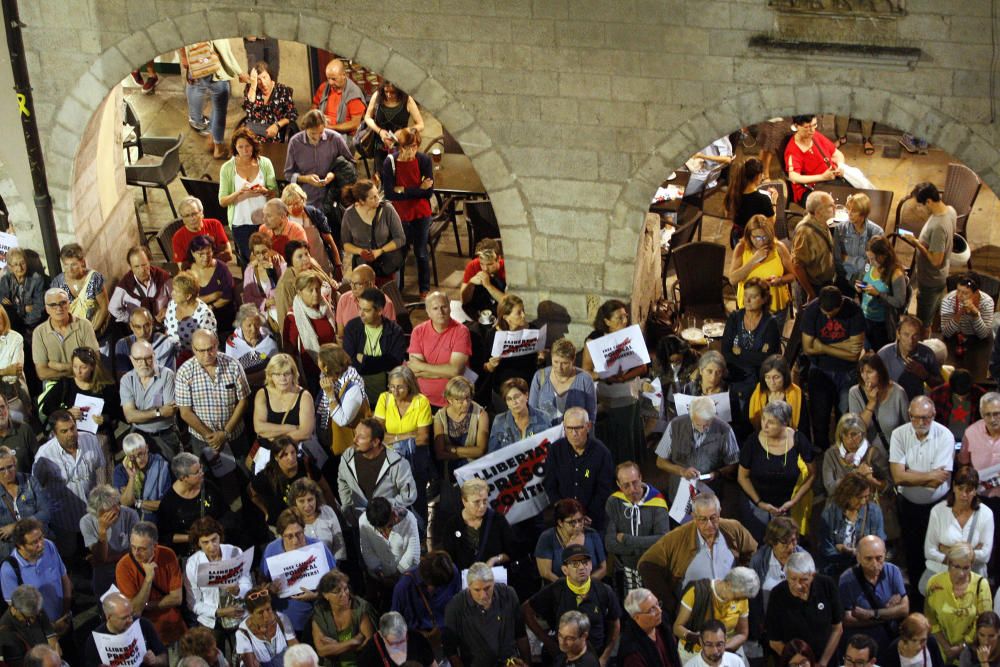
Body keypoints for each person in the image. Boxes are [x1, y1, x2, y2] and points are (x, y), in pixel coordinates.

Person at [637, 492, 757, 611]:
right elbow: (646, 564)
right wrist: (671, 605)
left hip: (730, 609)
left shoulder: (733, 529)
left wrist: (741, 587)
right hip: (694, 614)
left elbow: (753, 554)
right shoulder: (678, 538)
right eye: (703, 519)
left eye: (713, 517)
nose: (709, 524)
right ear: (694, 517)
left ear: (719, 512)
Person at [889, 395, 954, 601]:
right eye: (916, 418)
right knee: (912, 552)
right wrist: (929, 475)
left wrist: (911, 475)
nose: (920, 423)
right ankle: (917, 600)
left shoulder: (945, 435)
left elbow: (938, 482)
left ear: (934, 415)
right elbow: (898, 477)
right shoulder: (899, 434)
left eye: (925, 418)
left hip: (938, 506)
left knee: (937, 552)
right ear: (909, 416)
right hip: (908, 505)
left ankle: (938, 598)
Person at [176, 329, 252, 492]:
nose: (207, 354)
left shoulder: (233, 365)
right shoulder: (184, 372)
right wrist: (210, 436)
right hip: (202, 440)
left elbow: (243, 401)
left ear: (217, 345)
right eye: (201, 350)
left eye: (211, 348)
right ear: (193, 349)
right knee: (208, 484)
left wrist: (225, 433)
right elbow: (185, 412)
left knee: (246, 479)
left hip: (235, 436)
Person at [524, 543, 621, 665]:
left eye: (585, 562)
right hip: (562, 658)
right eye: (575, 564)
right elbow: (527, 609)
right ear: (565, 569)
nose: (581, 567)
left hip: (595, 658)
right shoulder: (556, 589)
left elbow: (615, 624)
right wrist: (548, 642)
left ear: (591, 566)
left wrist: (605, 657)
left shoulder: (604, 590)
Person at [31, 410, 107, 558]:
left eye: (73, 428)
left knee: (96, 555)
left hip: (91, 514)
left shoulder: (90, 440)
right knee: (69, 557)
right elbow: (36, 486)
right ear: (54, 433)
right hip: (64, 521)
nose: (70, 433)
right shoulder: (44, 455)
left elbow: (101, 469)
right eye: (64, 431)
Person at [737, 400, 816, 540]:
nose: (764, 425)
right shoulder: (752, 442)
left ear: (785, 423)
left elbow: (812, 474)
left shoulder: (799, 441)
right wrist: (760, 503)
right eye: (763, 419)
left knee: (785, 542)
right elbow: (742, 477)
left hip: (790, 505)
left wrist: (794, 502)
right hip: (757, 503)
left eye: (771, 422)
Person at [583, 299, 648, 463]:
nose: (625, 321)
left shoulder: (631, 335)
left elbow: (643, 367)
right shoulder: (593, 341)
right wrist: (604, 375)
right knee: (614, 436)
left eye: (625, 317)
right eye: (619, 318)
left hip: (629, 391)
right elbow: (586, 371)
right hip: (607, 394)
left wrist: (624, 377)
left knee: (629, 431)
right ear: (606, 321)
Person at [802, 285, 865, 450]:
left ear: (841, 304)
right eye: (825, 313)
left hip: (846, 372)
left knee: (844, 414)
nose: (828, 317)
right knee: (819, 415)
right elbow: (808, 347)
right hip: (820, 370)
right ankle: (821, 451)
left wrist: (822, 347)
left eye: (832, 313)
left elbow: (854, 355)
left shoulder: (854, 311)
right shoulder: (812, 310)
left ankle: (842, 450)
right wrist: (844, 345)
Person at [261, 508, 337, 633]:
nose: (295, 541)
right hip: (287, 622)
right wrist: (270, 589)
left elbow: (336, 582)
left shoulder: (318, 547)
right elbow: (262, 583)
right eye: (289, 536)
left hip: (321, 619)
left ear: (304, 529)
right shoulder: (271, 550)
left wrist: (316, 596)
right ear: (280, 534)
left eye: (299, 534)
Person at [655, 396, 739, 504]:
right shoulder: (675, 425)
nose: (704, 429)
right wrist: (682, 471)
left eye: (707, 425)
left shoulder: (725, 430)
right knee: (681, 520)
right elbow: (660, 462)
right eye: (699, 424)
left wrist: (717, 474)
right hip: (679, 491)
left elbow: (733, 464)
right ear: (691, 416)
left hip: (709, 493)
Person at [543, 406, 615, 532]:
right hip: (563, 520)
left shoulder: (601, 453)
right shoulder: (555, 450)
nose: (574, 433)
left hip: (593, 520)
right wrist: (566, 514)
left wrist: (582, 517)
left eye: (578, 428)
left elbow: (604, 490)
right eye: (569, 428)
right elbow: (550, 485)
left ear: (588, 426)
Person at [766, 551, 844, 667]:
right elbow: (774, 641)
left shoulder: (827, 585)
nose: (798, 585)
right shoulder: (777, 594)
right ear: (786, 575)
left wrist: (822, 663)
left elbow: (837, 628)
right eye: (793, 579)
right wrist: (800, 663)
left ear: (812, 575)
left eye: (804, 580)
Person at [895, 182, 956, 328]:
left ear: (928, 201)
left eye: (920, 205)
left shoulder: (938, 227)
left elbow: (936, 261)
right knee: (934, 311)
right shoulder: (950, 210)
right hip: (940, 275)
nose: (920, 208)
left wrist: (917, 244)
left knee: (923, 321)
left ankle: (922, 344)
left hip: (931, 279)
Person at [923, 466, 994, 591]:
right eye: (960, 489)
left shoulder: (986, 514)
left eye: (969, 490)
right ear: (954, 486)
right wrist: (970, 552)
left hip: (973, 581)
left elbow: (985, 555)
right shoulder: (938, 511)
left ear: (976, 490)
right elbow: (929, 551)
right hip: (941, 580)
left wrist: (946, 550)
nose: (964, 495)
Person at [115, 520, 186, 644]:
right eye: (133, 547)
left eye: (141, 549)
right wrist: (148, 579)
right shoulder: (123, 566)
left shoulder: (168, 555)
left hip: (174, 629)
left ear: (155, 546)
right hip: (143, 634)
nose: (136, 553)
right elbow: (136, 610)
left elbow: (176, 598)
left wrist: (146, 605)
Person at [382, 127, 433, 297]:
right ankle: (399, 288)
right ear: (399, 147)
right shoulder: (390, 162)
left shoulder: (424, 160)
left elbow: (428, 192)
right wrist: (417, 188)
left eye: (414, 147)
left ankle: (424, 288)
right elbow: (389, 194)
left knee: (421, 252)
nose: (410, 151)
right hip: (400, 215)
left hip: (421, 213)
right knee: (400, 253)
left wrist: (403, 190)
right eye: (406, 147)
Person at [722, 276, 782, 419]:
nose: (747, 300)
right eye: (745, 295)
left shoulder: (770, 323)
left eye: (753, 297)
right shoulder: (735, 318)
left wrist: (740, 352)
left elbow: (767, 360)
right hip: (734, 373)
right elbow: (726, 351)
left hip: (758, 377)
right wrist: (753, 356)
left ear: (764, 299)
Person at [605, 461, 669, 594]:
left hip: (652, 566)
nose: (632, 489)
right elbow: (609, 543)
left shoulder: (657, 501)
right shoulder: (614, 502)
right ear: (618, 484)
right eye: (626, 485)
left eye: (635, 482)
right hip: (625, 569)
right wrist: (639, 549)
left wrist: (626, 539)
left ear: (641, 477)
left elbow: (663, 540)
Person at [183, 516, 252, 639]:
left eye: (214, 539)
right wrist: (221, 612)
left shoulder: (234, 552)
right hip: (210, 621)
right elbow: (193, 603)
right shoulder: (193, 564)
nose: (212, 546)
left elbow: (247, 583)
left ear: (220, 536)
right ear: (198, 543)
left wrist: (237, 590)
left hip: (239, 615)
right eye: (205, 542)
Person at [672, 568, 759, 664]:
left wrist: (721, 649)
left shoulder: (742, 599)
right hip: (694, 653)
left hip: (728, 653)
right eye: (736, 597)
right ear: (729, 584)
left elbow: (742, 634)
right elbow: (677, 628)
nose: (738, 601)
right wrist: (697, 638)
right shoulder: (697, 593)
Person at [0, 519, 71, 636]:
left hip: (64, 620)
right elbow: (17, 612)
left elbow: (64, 579)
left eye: (41, 538)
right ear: (20, 545)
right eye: (34, 542)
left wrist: (66, 613)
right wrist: (50, 629)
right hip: (41, 633)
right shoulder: (9, 570)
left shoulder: (49, 546)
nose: (40, 544)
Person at [839, 535, 909, 653]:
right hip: (863, 646)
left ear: (885, 554)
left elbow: (904, 609)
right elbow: (847, 619)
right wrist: (888, 614)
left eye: (879, 558)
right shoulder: (846, 580)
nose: (875, 564)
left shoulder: (893, 571)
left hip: (891, 640)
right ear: (858, 558)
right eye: (868, 559)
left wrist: (870, 614)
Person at [337, 418, 416, 523]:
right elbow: (342, 480)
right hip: (360, 523)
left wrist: (382, 508)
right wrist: (347, 506)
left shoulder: (397, 463)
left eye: (361, 437)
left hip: (387, 524)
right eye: (355, 434)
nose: (354, 440)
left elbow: (409, 495)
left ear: (375, 442)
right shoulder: (347, 457)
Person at [925, 543, 993, 664]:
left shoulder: (981, 585)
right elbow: (930, 619)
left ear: (972, 565)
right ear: (949, 563)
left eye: (966, 568)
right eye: (956, 566)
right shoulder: (934, 583)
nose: (961, 573)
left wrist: (962, 646)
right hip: (940, 650)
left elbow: (984, 623)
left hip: (971, 653)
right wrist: (947, 648)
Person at [218, 127, 278, 262]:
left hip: (265, 221)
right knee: (251, 261)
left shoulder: (265, 163)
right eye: (241, 147)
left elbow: (275, 193)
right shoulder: (227, 168)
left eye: (248, 146)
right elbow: (222, 201)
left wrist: (265, 191)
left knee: (269, 259)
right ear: (235, 148)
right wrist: (238, 193)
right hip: (241, 223)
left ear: (253, 145)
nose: (245, 150)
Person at [180, 40, 247, 159]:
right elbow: (224, 52)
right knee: (219, 109)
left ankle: (208, 131)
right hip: (215, 73)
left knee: (198, 90)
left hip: (197, 67)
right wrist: (240, 73)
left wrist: (186, 60)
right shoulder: (215, 25)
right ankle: (218, 148)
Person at [959, 393, 1000, 583]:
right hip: (982, 499)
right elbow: (964, 465)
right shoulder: (971, 432)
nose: (993, 419)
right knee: (982, 542)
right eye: (988, 414)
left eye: (997, 414)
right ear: (981, 414)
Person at [251, 353, 317, 469]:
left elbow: (305, 432)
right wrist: (289, 427)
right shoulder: (262, 394)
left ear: (293, 374)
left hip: (295, 455)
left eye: (287, 374)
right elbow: (259, 427)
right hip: (267, 456)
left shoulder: (304, 396)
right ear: (270, 376)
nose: (283, 379)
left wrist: (272, 437)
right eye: (277, 374)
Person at [157, 452, 228, 558]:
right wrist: (194, 538)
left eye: (201, 468)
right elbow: (165, 536)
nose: (202, 473)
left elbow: (225, 512)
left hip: (217, 543)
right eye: (196, 472)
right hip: (192, 552)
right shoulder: (169, 503)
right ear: (183, 477)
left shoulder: (208, 486)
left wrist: (215, 534)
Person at [407, 291, 472, 408]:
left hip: (455, 401)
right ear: (428, 312)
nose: (440, 312)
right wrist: (446, 372)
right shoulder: (418, 331)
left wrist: (422, 367)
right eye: (435, 308)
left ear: (450, 308)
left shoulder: (461, 331)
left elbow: (455, 371)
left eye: (444, 307)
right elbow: (414, 371)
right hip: (423, 400)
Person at [38, 346, 119, 438]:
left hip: (99, 434)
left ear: (92, 367)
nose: (78, 371)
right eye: (75, 367)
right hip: (73, 434)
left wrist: (104, 418)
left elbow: (116, 411)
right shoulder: (66, 384)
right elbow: (47, 407)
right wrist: (66, 413)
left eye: (83, 367)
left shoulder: (105, 386)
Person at [250, 436, 329, 529]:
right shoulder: (266, 477)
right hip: (283, 526)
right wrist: (266, 512)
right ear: (276, 457)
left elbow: (325, 489)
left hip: (309, 521)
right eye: (284, 455)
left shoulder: (306, 466)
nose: (291, 457)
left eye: (293, 452)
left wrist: (333, 515)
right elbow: (252, 493)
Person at [435, 477, 514, 570]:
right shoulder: (452, 525)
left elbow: (512, 552)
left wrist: (496, 559)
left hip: (494, 579)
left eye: (485, 501)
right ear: (464, 501)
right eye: (476, 502)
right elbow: (447, 559)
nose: (482, 506)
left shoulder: (497, 520)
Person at [120, 342, 181, 464]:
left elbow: (170, 412)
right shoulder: (127, 379)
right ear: (131, 359)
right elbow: (130, 416)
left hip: (165, 436)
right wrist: (159, 412)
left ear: (154, 356)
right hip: (138, 436)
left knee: (172, 473)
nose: (144, 363)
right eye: (138, 359)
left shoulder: (167, 375)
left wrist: (140, 414)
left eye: (148, 358)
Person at [283, 109, 355, 210]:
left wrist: (333, 174)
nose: (317, 137)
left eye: (320, 133)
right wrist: (305, 179)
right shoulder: (295, 142)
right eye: (313, 133)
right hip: (306, 200)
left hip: (331, 199)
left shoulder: (335, 139)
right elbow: (288, 174)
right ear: (305, 128)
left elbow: (350, 164)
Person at [728, 217, 794, 327]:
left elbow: (792, 275)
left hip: (775, 308)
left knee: (773, 341)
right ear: (749, 235)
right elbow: (733, 279)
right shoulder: (742, 248)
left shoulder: (779, 248)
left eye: (765, 236)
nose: (762, 241)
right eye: (757, 237)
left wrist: (780, 280)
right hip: (750, 309)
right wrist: (754, 260)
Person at [818, 473, 886, 576]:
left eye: (866, 496)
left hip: (866, 568)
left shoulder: (873, 512)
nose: (863, 501)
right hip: (837, 568)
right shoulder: (830, 513)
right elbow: (826, 548)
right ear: (847, 495)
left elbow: (880, 543)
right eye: (859, 497)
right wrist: (845, 556)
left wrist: (854, 553)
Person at [390, 550, 461, 649]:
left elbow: (457, 602)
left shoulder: (451, 572)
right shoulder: (404, 587)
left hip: (448, 634)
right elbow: (394, 625)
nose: (435, 591)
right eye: (433, 586)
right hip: (417, 641)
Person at [341, 180, 406, 286]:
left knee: (389, 298)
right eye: (372, 198)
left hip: (387, 265)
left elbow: (400, 238)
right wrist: (360, 251)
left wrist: (379, 251)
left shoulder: (387, 210)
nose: (378, 199)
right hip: (363, 269)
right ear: (361, 201)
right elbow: (346, 244)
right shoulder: (349, 214)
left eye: (377, 194)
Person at [359, 497, 420, 604]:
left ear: (392, 513)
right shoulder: (363, 522)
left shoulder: (408, 519)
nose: (386, 532)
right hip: (380, 580)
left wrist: (397, 575)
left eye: (389, 526)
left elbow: (413, 552)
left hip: (407, 577)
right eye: (381, 530)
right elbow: (367, 550)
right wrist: (381, 575)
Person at [31, 287, 99, 384]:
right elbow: (42, 373)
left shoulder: (84, 325)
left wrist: (58, 366)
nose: (59, 308)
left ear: (69, 304)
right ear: (46, 309)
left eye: (63, 303)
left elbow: (95, 361)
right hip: (55, 384)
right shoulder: (39, 333)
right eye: (53, 305)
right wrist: (73, 369)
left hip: (84, 381)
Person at [80, 484, 139, 595]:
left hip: (128, 569)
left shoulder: (130, 515)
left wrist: (106, 559)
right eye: (111, 508)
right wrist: (102, 531)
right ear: (97, 512)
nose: (117, 509)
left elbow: (136, 552)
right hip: (104, 576)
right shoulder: (86, 522)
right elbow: (101, 557)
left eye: (117, 504)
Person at [84, 592, 167, 667]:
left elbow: (164, 659)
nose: (130, 620)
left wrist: (155, 660)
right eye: (124, 618)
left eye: (131, 614)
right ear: (109, 617)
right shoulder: (95, 640)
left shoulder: (143, 624)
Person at [283, 271, 337, 387]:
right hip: (310, 376)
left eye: (317, 289)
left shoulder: (325, 308)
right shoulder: (293, 317)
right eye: (310, 290)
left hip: (334, 367)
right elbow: (289, 352)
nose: (316, 293)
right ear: (299, 292)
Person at [310, 569, 374, 667]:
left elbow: (368, 642)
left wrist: (335, 647)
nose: (344, 594)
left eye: (345, 589)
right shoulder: (319, 615)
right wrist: (354, 641)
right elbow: (322, 650)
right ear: (325, 595)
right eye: (337, 592)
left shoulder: (360, 608)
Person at [847, 352, 909, 451]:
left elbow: (908, 429)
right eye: (862, 372)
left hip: (893, 455)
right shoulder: (855, 393)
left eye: (869, 372)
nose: (865, 376)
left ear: (880, 372)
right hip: (866, 457)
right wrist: (871, 403)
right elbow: (857, 430)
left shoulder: (898, 393)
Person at [536, 498, 608, 582]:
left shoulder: (592, 534)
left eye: (580, 520)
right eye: (572, 522)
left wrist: (585, 586)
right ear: (560, 522)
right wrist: (570, 588)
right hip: (560, 589)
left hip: (590, 587)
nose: (577, 525)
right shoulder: (547, 538)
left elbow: (603, 568)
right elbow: (545, 573)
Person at [748, 516, 805, 620]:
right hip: (769, 622)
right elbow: (753, 599)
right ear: (773, 542)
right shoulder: (758, 562)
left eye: (793, 540)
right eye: (785, 543)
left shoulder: (804, 558)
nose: (791, 547)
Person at [530, 337, 597, 425]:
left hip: (575, 434)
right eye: (556, 362)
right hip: (546, 434)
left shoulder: (585, 379)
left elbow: (591, 416)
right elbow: (532, 412)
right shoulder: (540, 377)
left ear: (573, 360)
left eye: (565, 363)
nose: (559, 367)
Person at [785, 114, 848, 206]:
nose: (812, 130)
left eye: (814, 125)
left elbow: (837, 154)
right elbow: (794, 178)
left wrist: (840, 167)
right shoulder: (793, 150)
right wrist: (822, 177)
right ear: (796, 126)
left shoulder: (815, 135)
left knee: (855, 194)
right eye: (807, 127)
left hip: (830, 179)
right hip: (810, 189)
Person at [858, 235, 908, 351]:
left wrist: (878, 294)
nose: (870, 262)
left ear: (884, 256)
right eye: (869, 258)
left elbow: (900, 302)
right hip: (865, 318)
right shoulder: (869, 264)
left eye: (873, 259)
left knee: (881, 355)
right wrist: (859, 287)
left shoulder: (896, 274)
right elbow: (864, 277)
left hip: (882, 324)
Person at [283, 182, 342, 279]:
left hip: (323, 267)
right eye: (289, 204)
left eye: (297, 203)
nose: (293, 207)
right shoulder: (284, 221)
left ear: (303, 199)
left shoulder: (313, 213)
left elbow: (330, 241)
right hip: (302, 273)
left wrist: (338, 264)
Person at [363, 80, 426, 169]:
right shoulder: (377, 96)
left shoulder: (407, 100)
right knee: (382, 175)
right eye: (386, 91)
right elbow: (367, 117)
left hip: (401, 148)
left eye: (392, 92)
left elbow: (420, 124)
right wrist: (380, 131)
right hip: (381, 146)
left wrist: (403, 132)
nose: (388, 95)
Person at [879, 315, 943, 401]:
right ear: (898, 334)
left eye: (915, 335)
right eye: (906, 334)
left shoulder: (927, 354)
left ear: (920, 336)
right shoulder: (884, 354)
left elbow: (941, 386)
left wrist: (924, 375)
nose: (910, 340)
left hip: (915, 405)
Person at [433, 375, 488, 475]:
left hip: (474, 469)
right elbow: (440, 453)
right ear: (450, 400)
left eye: (468, 397)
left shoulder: (480, 413)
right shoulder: (440, 417)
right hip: (448, 470)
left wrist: (452, 449)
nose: (466, 403)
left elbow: (480, 450)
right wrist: (468, 452)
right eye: (460, 400)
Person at [50, 242, 109, 335]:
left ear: (82, 262)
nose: (70, 269)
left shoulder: (94, 278)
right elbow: (55, 312)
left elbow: (104, 307)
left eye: (73, 264)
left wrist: (92, 331)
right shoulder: (57, 283)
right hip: (72, 334)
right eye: (66, 265)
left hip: (98, 333)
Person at [0, 446, 47, 561]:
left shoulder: (30, 481)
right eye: (1, 469)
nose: (7, 472)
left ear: (15, 464)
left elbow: (45, 513)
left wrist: (16, 526)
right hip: (10, 551)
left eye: (10, 467)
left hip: (38, 543)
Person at [235, 585, 299, 667]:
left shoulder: (282, 619)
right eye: (260, 612)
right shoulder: (242, 634)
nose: (266, 616)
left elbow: (296, 648)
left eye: (268, 609)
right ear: (251, 613)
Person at [109, 245, 173, 327]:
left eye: (144, 265)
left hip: (165, 324)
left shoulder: (163, 277)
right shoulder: (125, 285)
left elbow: (176, 298)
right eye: (136, 266)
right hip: (140, 331)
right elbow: (113, 308)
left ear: (149, 262)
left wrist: (168, 309)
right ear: (131, 267)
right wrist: (132, 320)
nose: (141, 270)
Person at [791, 191, 838, 301]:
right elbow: (797, 266)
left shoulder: (822, 222)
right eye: (831, 206)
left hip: (824, 283)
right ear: (818, 212)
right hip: (814, 288)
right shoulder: (805, 233)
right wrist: (810, 293)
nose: (835, 208)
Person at [0, 584, 61, 667]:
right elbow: (19, 663)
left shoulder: (35, 610)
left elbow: (51, 637)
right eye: (30, 617)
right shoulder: (5, 631)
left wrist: (55, 656)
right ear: (14, 609)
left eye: (36, 615)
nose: (33, 620)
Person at [619, 588, 681, 667]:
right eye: (651, 610)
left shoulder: (662, 624)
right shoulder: (632, 654)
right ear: (637, 617)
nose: (659, 611)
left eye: (657, 604)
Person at [288, 477, 346, 562]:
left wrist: (334, 565)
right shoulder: (289, 522)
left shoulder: (327, 511)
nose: (307, 505)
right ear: (294, 502)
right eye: (301, 501)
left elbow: (339, 544)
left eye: (310, 499)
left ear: (316, 498)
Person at [724, 157, 777, 248]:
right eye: (762, 175)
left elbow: (727, 213)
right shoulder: (763, 199)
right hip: (754, 241)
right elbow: (770, 223)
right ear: (758, 176)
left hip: (737, 239)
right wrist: (774, 202)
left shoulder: (733, 192)